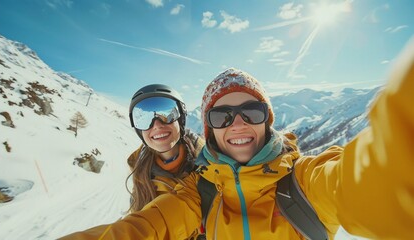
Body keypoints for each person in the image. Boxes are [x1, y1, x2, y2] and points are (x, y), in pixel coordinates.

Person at [60, 42, 414, 240]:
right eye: (221, 116)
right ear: (210, 127)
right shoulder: (197, 192)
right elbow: (140, 228)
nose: (238, 123)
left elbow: (369, 185)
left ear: (268, 119)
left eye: (252, 111)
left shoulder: (306, 181)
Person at [126, 84, 204, 213]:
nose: (156, 125)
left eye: (167, 116)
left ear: (181, 119)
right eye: (145, 121)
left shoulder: (210, 163)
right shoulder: (141, 176)